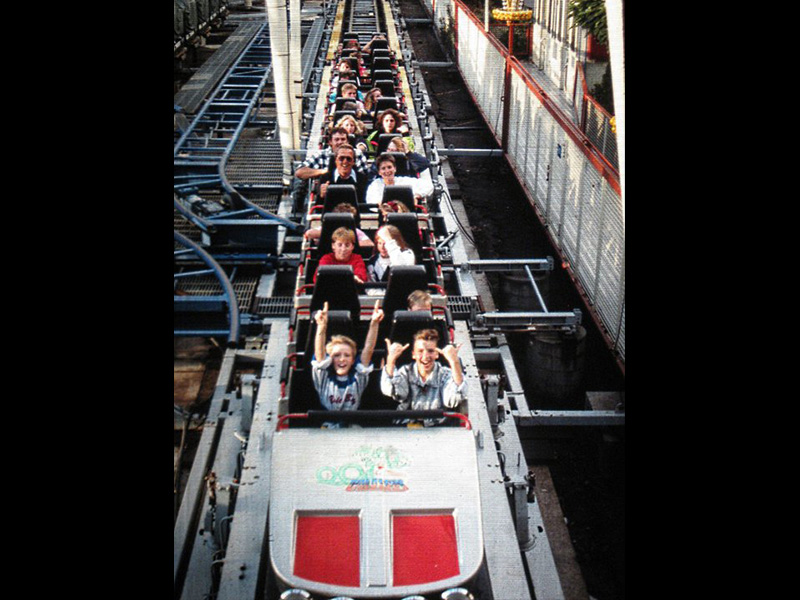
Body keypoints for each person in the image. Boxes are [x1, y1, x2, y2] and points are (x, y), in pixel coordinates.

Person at [312, 301, 384, 415]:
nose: (342, 359)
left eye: (347, 355)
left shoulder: (358, 377)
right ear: (330, 360)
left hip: (351, 425)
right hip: (327, 425)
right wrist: (321, 326)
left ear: (353, 360)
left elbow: (368, 348)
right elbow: (320, 356)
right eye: (336, 355)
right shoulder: (324, 377)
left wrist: (374, 323)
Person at [381, 329, 467, 422]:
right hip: (405, 429)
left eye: (430, 351)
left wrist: (454, 361)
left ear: (437, 354)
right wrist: (391, 359)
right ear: (413, 354)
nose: (425, 356)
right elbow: (391, 391)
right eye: (420, 351)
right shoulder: (406, 372)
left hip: (438, 429)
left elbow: (453, 399)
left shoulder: (445, 374)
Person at [295, 127, 369, 181]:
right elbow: (299, 172)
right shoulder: (321, 155)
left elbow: (366, 177)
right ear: (330, 142)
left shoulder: (357, 154)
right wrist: (324, 171)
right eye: (336, 139)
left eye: (343, 139)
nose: (340, 142)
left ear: (348, 141)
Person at [366, 153, 433, 206]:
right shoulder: (375, 185)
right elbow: (371, 202)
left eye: (389, 167)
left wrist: (417, 195)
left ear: (395, 169)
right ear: (379, 172)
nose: (387, 171)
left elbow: (428, 185)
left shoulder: (404, 181)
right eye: (383, 168)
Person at [304, 202, 373, 249]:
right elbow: (309, 233)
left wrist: (348, 243)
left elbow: (370, 243)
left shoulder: (355, 231)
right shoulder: (326, 228)